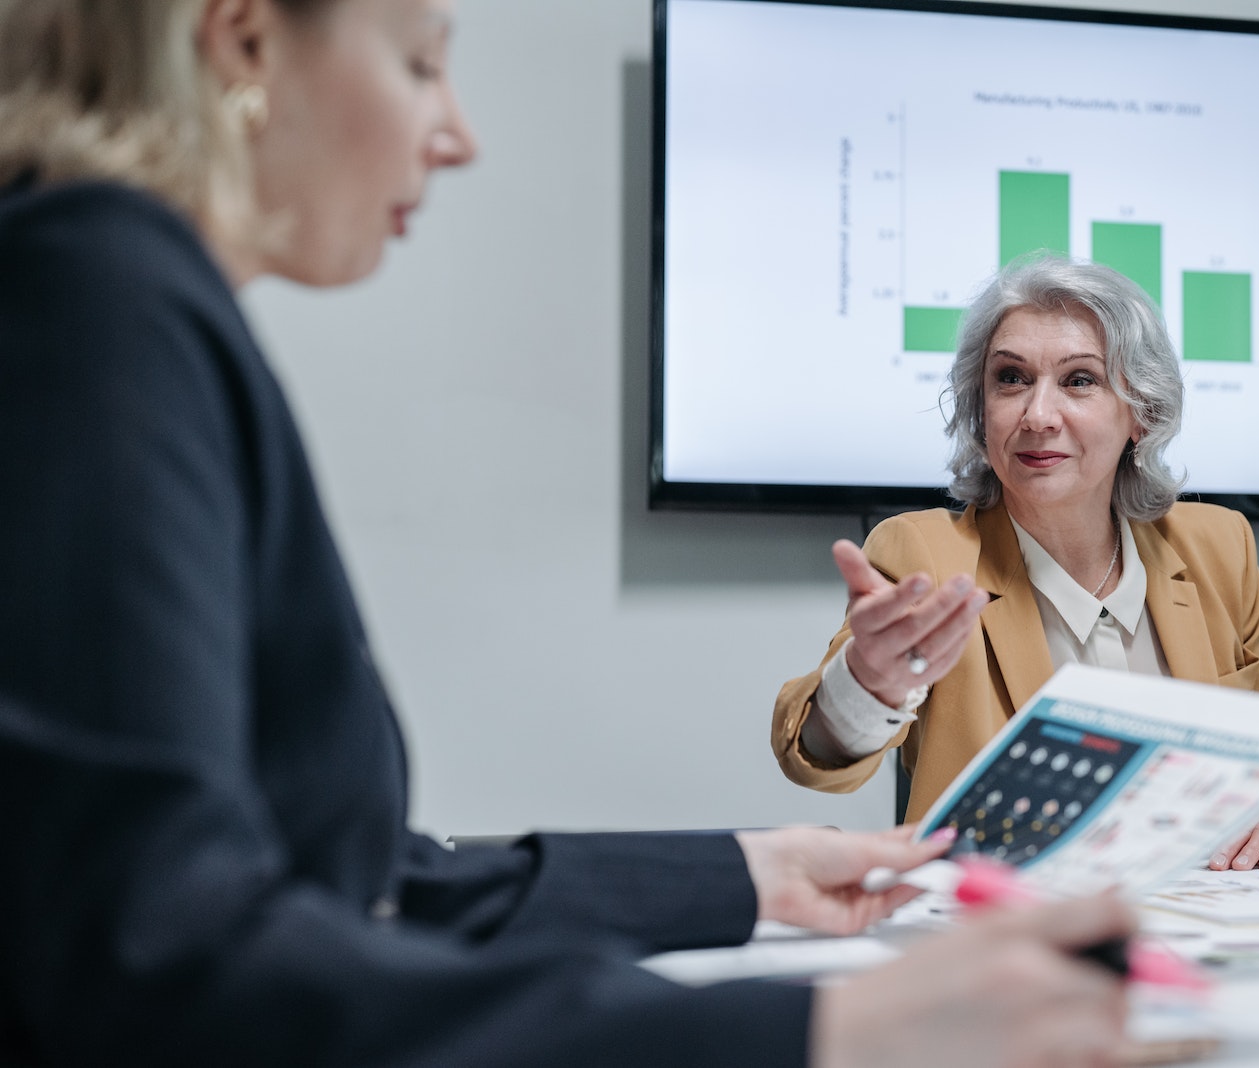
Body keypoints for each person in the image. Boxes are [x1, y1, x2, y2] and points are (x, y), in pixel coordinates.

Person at [0, 1, 1136, 1064]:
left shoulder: (116, 295)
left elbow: (361, 886)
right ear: (244, 41)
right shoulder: (97, 299)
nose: (458, 135)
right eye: (419, 64)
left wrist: (742, 876)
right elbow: (158, 957)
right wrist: (825, 1030)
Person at [772, 255, 1259, 871]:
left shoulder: (1217, 547)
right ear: (980, 408)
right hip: (1003, 932)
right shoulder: (924, 556)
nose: (1038, 416)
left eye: (1079, 381)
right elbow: (815, 753)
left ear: (1141, 412)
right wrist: (866, 685)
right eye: (1011, 379)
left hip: (1197, 923)